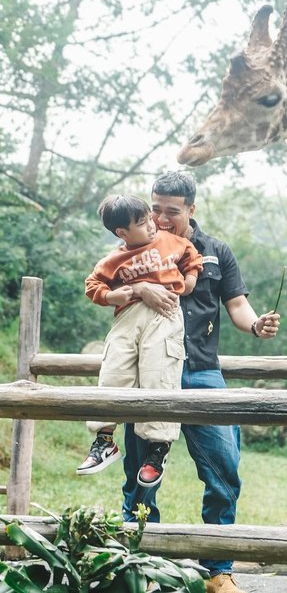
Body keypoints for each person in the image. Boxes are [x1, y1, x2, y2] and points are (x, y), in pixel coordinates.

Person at [122, 171, 280, 593]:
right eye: (154, 208)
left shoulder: (216, 252)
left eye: (171, 211)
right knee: (140, 472)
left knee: (224, 469)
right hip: (150, 373)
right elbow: (108, 294)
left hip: (202, 373)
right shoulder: (135, 246)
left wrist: (257, 325)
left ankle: (218, 570)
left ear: (192, 209)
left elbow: (238, 306)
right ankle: (142, 567)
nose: (160, 218)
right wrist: (140, 289)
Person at [77, 194, 203, 489]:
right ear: (122, 233)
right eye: (144, 222)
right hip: (127, 318)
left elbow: (191, 257)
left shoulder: (170, 242)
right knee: (113, 373)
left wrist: (189, 281)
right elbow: (93, 285)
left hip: (164, 315)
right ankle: (104, 441)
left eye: (149, 218)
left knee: (159, 374)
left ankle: (158, 448)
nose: (153, 225)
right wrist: (111, 296)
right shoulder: (114, 259)